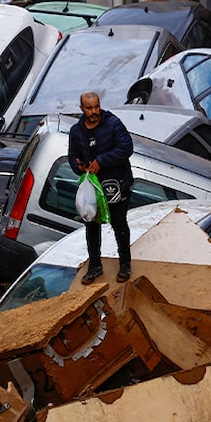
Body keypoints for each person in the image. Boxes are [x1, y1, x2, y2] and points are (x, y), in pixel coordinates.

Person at [68, 91, 134, 284]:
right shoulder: (76, 131)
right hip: (92, 187)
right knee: (91, 225)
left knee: (119, 224)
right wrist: (78, 166)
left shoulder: (113, 123)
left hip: (116, 183)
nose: (94, 111)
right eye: (89, 108)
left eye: (96, 106)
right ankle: (95, 265)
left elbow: (126, 148)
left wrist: (101, 161)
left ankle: (125, 264)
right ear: (82, 109)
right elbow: (72, 156)